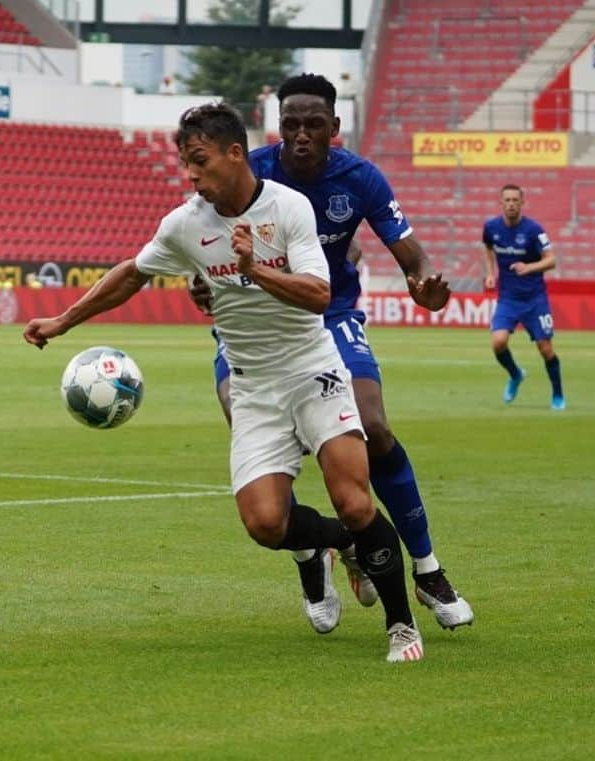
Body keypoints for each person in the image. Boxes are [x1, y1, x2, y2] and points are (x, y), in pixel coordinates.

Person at [25, 103, 425, 663]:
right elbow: (131, 274)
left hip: (314, 370)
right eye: (186, 163)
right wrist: (63, 320)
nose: (191, 175)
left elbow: (318, 293)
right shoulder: (185, 224)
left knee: (356, 501)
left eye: (199, 161)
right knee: (265, 523)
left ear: (234, 153)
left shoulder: (289, 208)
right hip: (254, 387)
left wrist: (257, 268)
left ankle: (402, 626)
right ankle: (337, 545)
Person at [191, 73, 473, 632]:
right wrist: (203, 287)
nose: (300, 134)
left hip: (330, 313)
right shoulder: (248, 174)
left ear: (333, 129)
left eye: (313, 124)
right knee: (249, 428)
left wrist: (422, 282)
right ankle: (311, 555)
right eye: (290, 123)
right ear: (278, 127)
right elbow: (200, 249)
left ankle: (427, 568)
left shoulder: (360, 178)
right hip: (254, 322)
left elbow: (410, 254)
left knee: (375, 426)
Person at [482, 184, 565, 410]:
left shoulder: (534, 230)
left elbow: (552, 260)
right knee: (498, 343)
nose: (511, 204)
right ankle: (516, 374)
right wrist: (490, 273)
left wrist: (529, 267)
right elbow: (488, 248)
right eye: (507, 200)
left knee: (545, 348)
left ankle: (557, 394)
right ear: (500, 202)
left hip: (534, 299)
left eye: (515, 200)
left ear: (522, 203)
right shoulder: (491, 228)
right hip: (508, 299)